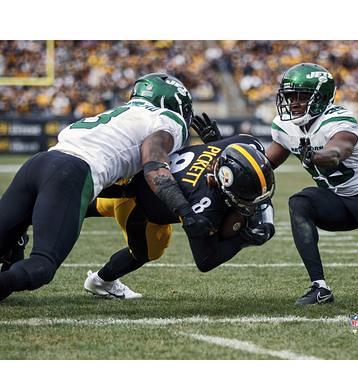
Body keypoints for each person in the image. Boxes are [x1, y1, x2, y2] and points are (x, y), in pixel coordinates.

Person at [0, 73, 216, 302]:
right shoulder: (168, 120)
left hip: (38, 164)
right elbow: (154, 166)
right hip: (71, 173)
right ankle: (16, 243)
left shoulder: (123, 114)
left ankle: (16, 239)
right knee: (42, 266)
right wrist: (186, 213)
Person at [83, 123, 276, 299]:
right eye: (245, 193)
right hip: (137, 206)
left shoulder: (245, 145)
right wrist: (244, 239)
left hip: (134, 178)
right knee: (149, 250)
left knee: (84, 206)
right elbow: (205, 260)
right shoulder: (204, 201)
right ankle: (101, 282)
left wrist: (215, 143)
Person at [265, 62, 358, 305]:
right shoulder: (285, 126)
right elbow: (264, 165)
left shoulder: (338, 120)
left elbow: (337, 152)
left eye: (301, 96)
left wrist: (315, 157)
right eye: (289, 96)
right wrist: (228, 153)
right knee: (300, 202)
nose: (293, 102)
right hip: (334, 200)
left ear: (321, 98)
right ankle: (320, 287)